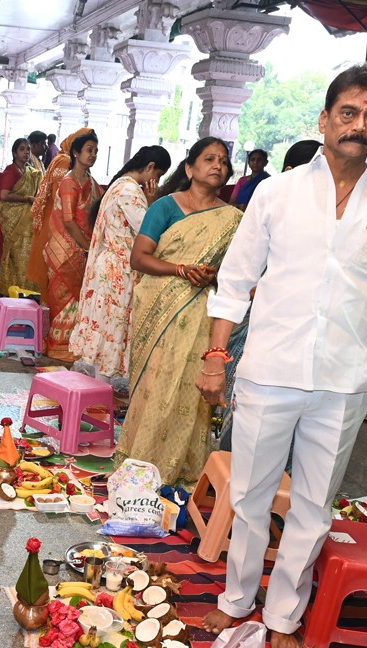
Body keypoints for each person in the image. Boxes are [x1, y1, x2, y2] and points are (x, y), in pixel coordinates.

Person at [196, 64, 367, 648]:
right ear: (325, 120)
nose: (360, 125)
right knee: (249, 495)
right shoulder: (278, 192)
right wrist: (217, 355)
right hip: (270, 367)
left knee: (313, 504)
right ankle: (235, 603)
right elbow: (235, 281)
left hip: (345, 378)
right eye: (349, 113)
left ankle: (282, 615)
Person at [116, 139, 239, 480]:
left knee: (188, 386)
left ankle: (181, 466)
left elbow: (241, 275)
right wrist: (180, 269)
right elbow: (139, 258)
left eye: (224, 162)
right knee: (155, 383)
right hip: (158, 307)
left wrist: (215, 275)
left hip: (202, 313)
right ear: (190, 168)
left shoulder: (232, 219)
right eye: (210, 159)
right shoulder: (166, 207)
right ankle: (140, 461)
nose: (218, 165)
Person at [218, 139, 323, 451]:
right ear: (289, 172)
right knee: (249, 426)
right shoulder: (271, 200)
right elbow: (238, 279)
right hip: (263, 331)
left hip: (313, 349)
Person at [70, 145, 172, 382]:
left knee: (106, 324)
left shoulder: (120, 185)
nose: (156, 181)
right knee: (113, 325)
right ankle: (99, 387)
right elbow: (148, 230)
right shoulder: (129, 192)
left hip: (111, 265)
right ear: (149, 168)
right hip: (119, 267)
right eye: (158, 175)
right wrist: (154, 201)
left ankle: (96, 385)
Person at [43, 130, 101, 361]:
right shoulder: (69, 182)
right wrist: (88, 247)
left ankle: (76, 347)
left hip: (84, 249)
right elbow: (68, 220)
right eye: (89, 150)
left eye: (96, 151)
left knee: (81, 301)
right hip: (65, 251)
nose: (93, 155)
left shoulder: (92, 183)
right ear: (76, 153)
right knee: (65, 299)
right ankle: (59, 348)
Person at [25, 127, 89, 292]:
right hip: (57, 224)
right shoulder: (65, 161)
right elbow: (60, 199)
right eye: (88, 148)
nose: (93, 154)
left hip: (60, 222)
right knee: (55, 281)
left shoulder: (66, 159)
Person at [0, 137, 43, 294]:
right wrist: (26, 199)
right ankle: (7, 289)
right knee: (14, 254)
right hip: (14, 218)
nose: (26, 152)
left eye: (28, 149)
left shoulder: (29, 171)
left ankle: (24, 289)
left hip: (27, 219)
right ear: (15, 153)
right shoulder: (11, 171)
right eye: (22, 149)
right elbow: (4, 195)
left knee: (27, 255)